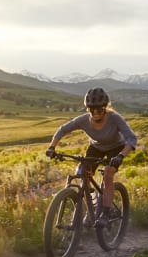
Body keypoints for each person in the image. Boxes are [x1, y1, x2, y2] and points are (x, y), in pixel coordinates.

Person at [45, 87, 137, 226]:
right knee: (82, 173)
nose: (95, 113)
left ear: (105, 108)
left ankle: (105, 214)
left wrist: (121, 156)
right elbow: (62, 129)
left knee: (108, 173)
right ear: (88, 109)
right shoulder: (83, 120)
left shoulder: (115, 118)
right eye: (91, 109)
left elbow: (131, 139)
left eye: (99, 109)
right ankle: (91, 209)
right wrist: (52, 147)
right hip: (96, 147)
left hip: (116, 148)